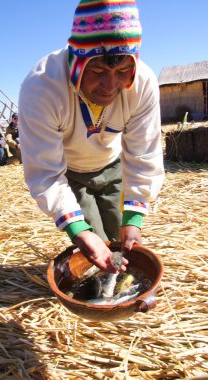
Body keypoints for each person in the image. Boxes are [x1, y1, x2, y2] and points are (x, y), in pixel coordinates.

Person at [18, 0, 165, 273]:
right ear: (76, 63)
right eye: (97, 71)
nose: (110, 86)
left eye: (122, 71)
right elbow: (45, 171)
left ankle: (130, 289)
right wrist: (78, 229)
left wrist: (134, 218)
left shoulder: (142, 82)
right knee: (95, 244)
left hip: (113, 164)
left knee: (123, 240)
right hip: (70, 172)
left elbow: (144, 152)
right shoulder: (42, 88)